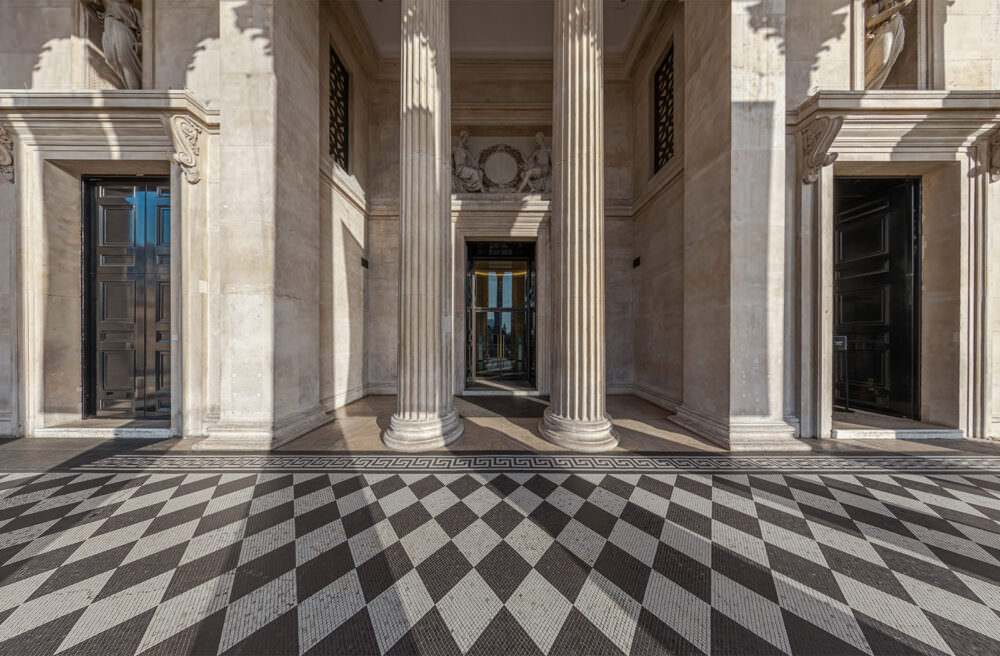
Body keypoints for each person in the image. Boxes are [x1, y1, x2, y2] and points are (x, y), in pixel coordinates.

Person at [86, 0, 143, 89]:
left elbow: (146, 35)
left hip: (122, 31)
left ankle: (134, 91)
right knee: (111, 59)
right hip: (109, 29)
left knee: (124, 59)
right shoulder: (106, 9)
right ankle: (130, 90)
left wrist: (139, 47)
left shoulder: (134, 12)